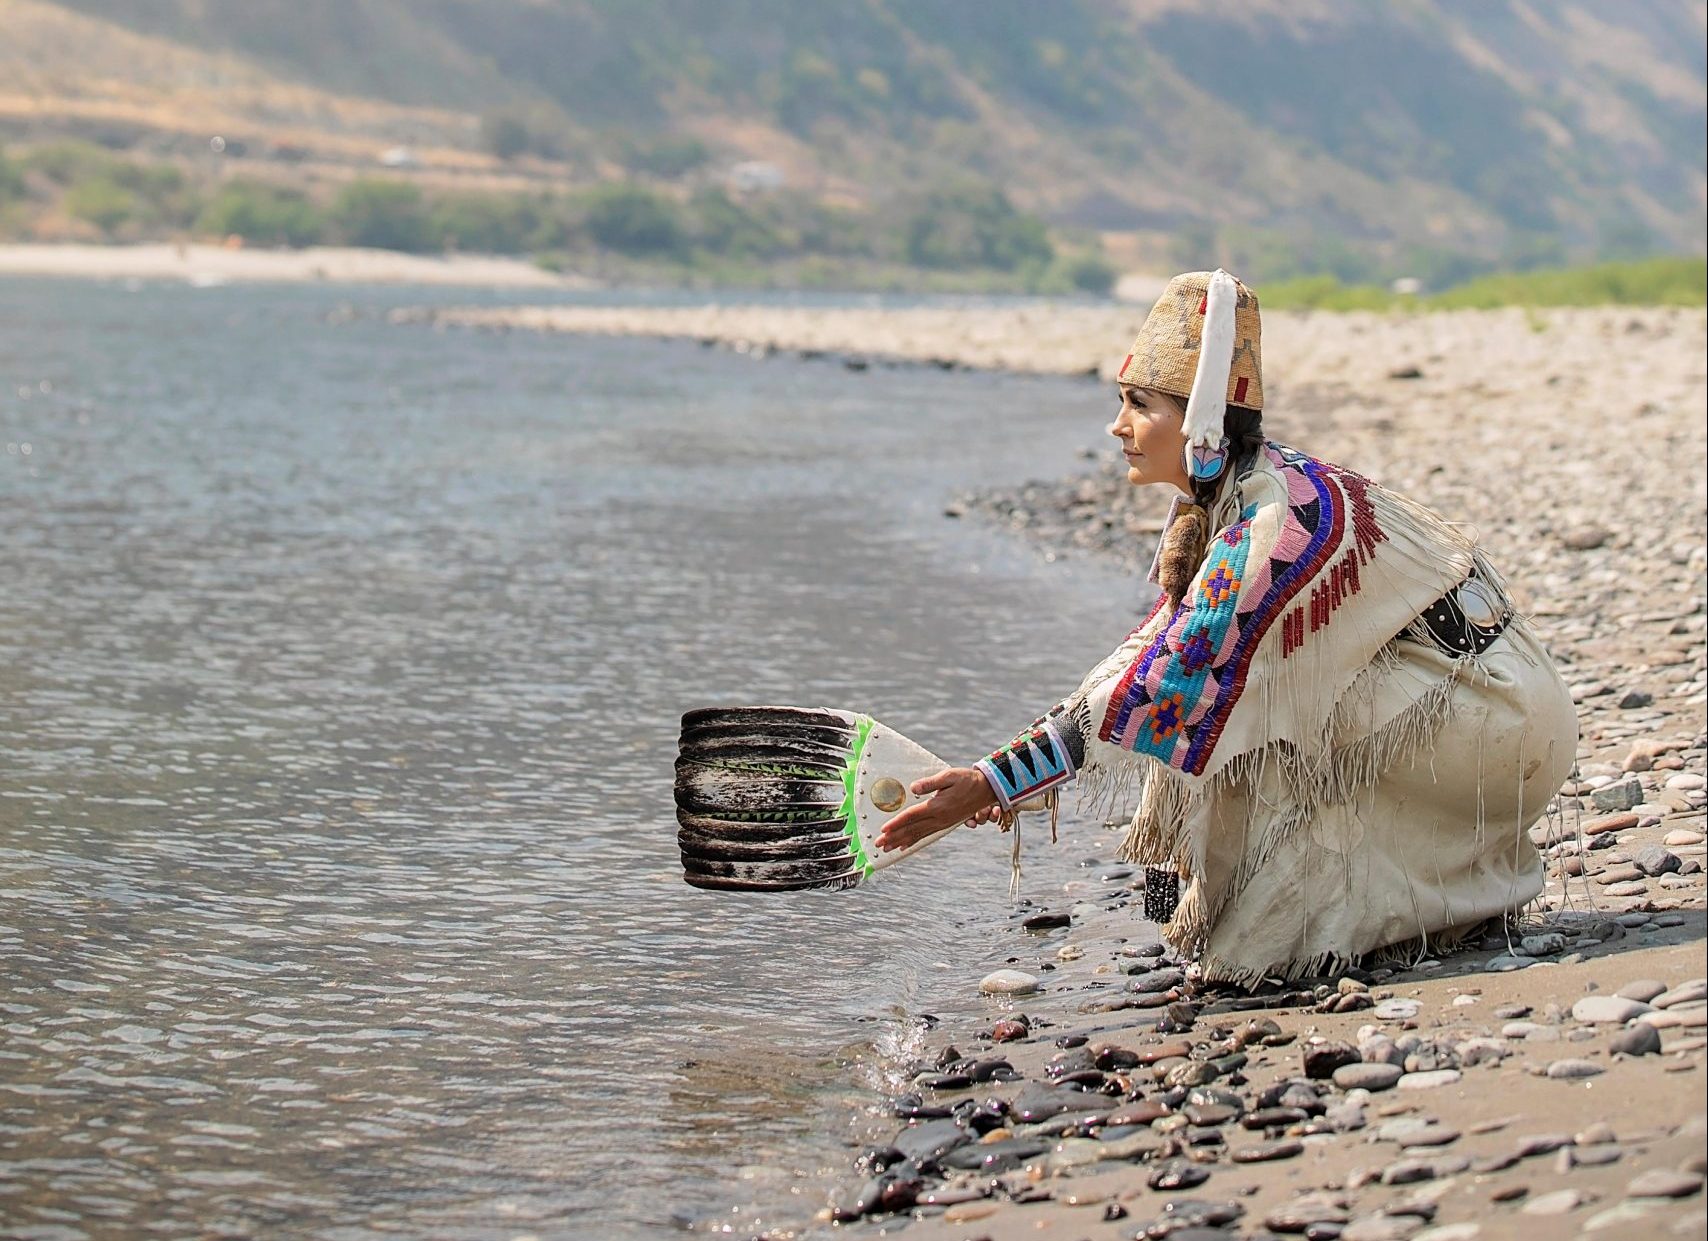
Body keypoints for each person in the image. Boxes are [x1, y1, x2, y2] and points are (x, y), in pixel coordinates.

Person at [875, 269, 1578, 986]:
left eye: (1139, 405)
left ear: (1201, 422)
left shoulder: (1267, 524)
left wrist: (995, 782)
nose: (1118, 426)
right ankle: (1433, 892)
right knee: (1220, 700)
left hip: (1496, 714)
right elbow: (1152, 654)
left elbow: (1163, 681)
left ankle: (1437, 901)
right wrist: (1008, 775)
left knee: (1234, 724)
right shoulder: (1239, 494)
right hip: (1477, 697)